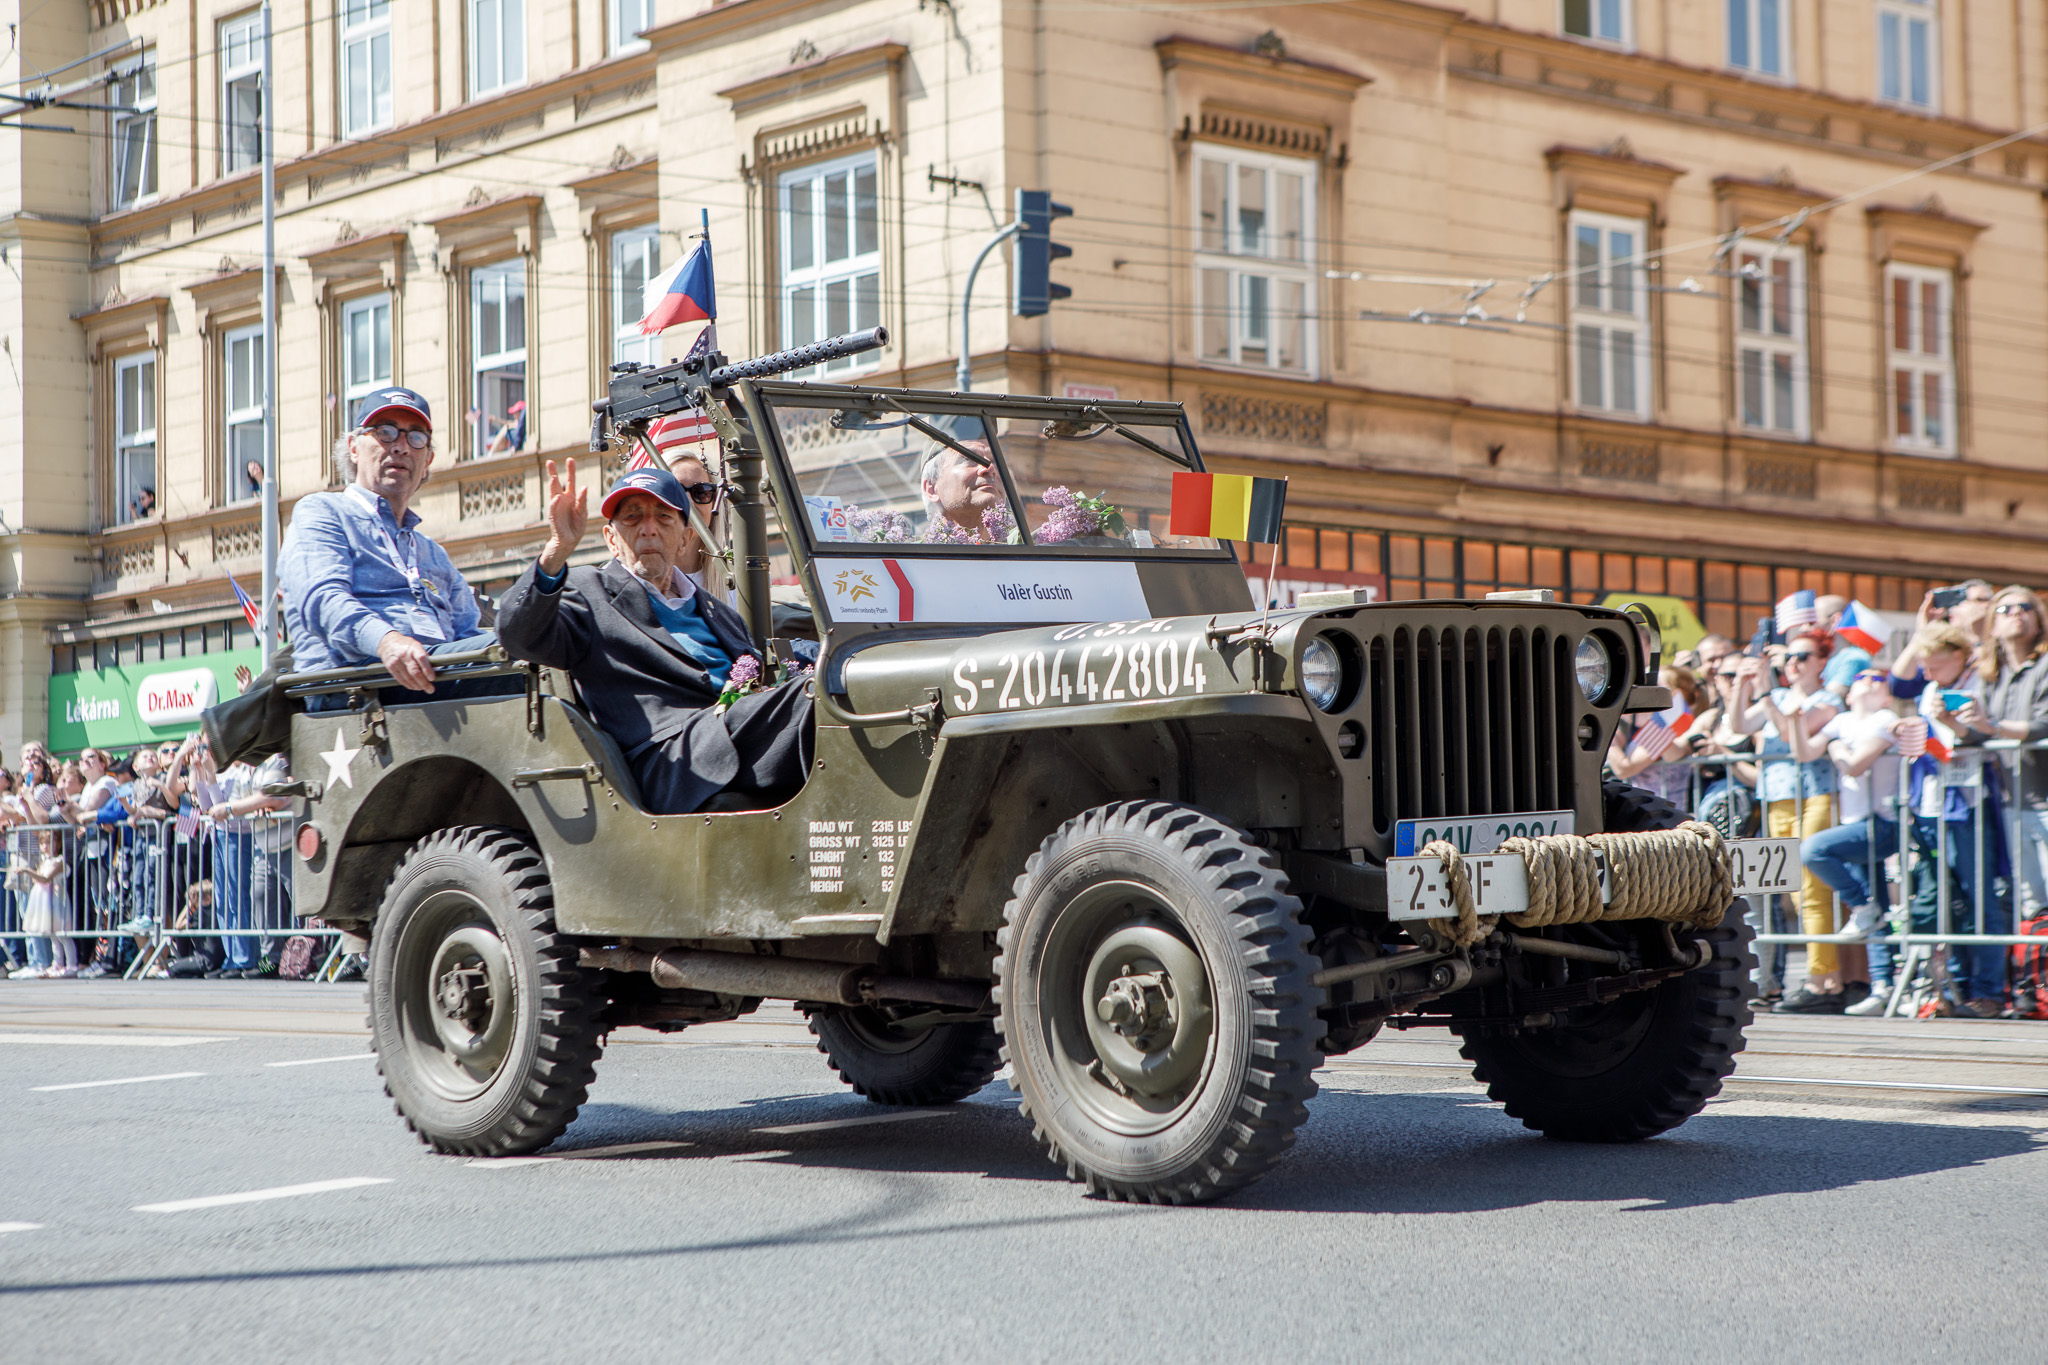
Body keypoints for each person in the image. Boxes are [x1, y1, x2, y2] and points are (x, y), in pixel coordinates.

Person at [497, 460, 813, 816]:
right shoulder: (587, 591)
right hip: (673, 762)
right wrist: (556, 552)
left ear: (685, 537)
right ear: (611, 538)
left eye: (664, 518)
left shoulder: (718, 612)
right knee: (815, 697)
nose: (648, 529)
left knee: (840, 696)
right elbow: (517, 636)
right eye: (632, 518)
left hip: (742, 737)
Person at [280, 387, 514, 709]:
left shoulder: (432, 554)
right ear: (353, 447)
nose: (401, 446)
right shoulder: (322, 513)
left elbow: (467, 635)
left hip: (439, 683)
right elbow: (323, 601)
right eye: (385, 432)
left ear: (428, 459)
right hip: (357, 689)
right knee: (524, 647)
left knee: (546, 641)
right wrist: (387, 641)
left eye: (416, 437)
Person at [1891, 621, 2011, 1016]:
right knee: (1950, 901)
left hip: (1969, 807)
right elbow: (1898, 684)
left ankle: (1989, 991)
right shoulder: (1929, 689)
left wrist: (1956, 724)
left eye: (1934, 664)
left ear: (1958, 656)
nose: (1927, 672)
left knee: (1980, 900)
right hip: (1931, 805)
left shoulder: (1980, 684)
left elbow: (1986, 741)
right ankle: (1955, 990)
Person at [1733, 626, 1855, 1012]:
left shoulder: (1826, 700)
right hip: (1776, 799)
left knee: (1812, 891)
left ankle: (1823, 980)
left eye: (1803, 656)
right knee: (1785, 892)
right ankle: (1808, 979)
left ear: (1822, 662)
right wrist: (1742, 683)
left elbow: (1789, 733)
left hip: (1815, 797)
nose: (1793, 663)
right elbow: (1738, 725)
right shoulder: (1779, 695)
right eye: (1790, 657)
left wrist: (1766, 691)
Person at [1796, 670, 1905, 1015]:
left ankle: (1860, 906)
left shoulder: (1886, 718)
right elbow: (1803, 753)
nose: (1871, 680)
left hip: (1882, 822)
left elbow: (1855, 765)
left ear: (1887, 695)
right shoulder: (1842, 720)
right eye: (1863, 676)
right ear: (1850, 691)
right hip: (1857, 823)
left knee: (1813, 849)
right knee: (1878, 910)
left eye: (1879, 678)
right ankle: (1883, 986)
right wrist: (1794, 719)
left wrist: (1834, 745)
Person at [1954, 586, 2048, 920]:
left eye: (2025, 607)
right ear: (1993, 625)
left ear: (2039, 620)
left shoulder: (2045, 664)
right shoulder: (1990, 674)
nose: (2016, 613)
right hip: (2014, 800)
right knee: (2032, 903)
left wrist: (1989, 724)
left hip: (2045, 800)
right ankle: (2037, 972)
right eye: (2006, 609)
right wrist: (1952, 722)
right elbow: (1978, 734)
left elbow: (2041, 726)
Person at [9, 830, 73, 979]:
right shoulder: (44, 861)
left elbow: (45, 879)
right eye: (42, 843)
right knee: (52, 936)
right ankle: (57, 963)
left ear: (57, 844)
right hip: (45, 903)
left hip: (57, 901)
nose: (45, 846)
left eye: (48, 843)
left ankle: (71, 964)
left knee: (63, 935)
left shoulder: (59, 861)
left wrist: (27, 870)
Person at [1814, 595, 1874, 699]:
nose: (1803, 628)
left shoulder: (1854, 658)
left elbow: (1829, 700)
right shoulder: (1827, 658)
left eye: (1812, 621)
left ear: (1834, 621)